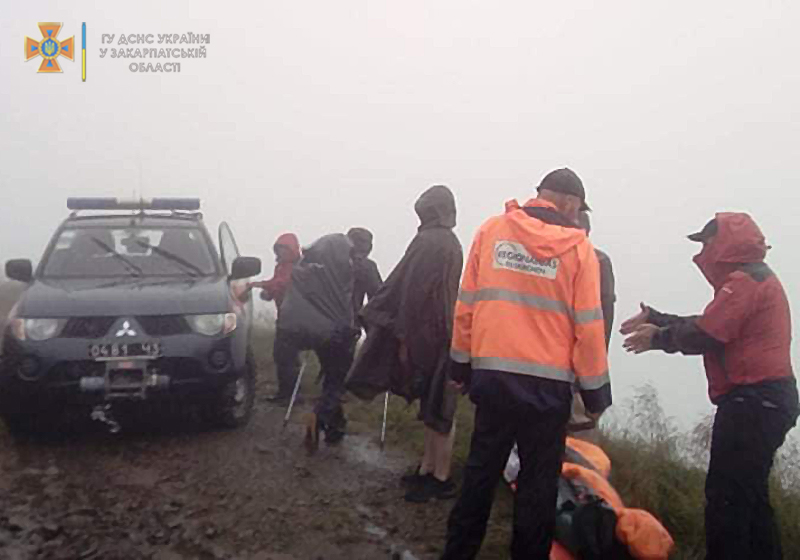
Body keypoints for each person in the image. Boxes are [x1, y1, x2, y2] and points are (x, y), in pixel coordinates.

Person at [442, 168, 611, 560]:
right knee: (537, 488)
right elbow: (589, 324)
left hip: (493, 379)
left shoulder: (491, 230)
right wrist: (595, 392)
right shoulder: (579, 250)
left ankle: (457, 554)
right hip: (548, 391)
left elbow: (466, 304)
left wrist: (460, 367)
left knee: (480, 475)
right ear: (569, 203)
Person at [621, 213, 798, 560]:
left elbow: (709, 333)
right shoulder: (752, 280)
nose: (702, 251)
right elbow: (711, 324)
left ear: (723, 244)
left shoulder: (745, 282)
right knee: (750, 499)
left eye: (705, 242)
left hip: (753, 401)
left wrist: (658, 337)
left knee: (727, 500)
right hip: (767, 400)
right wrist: (657, 319)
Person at [346, 185, 463, 503]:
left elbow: (411, 291)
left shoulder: (431, 242)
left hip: (432, 335)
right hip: (439, 333)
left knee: (439, 407)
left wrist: (401, 334)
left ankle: (440, 477)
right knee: (433, 405)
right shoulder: (448, 242)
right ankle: (428, 469)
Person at [278, 233, 357, 448]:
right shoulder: (344, 271)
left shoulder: (308, 271)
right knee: (337, 381)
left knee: (331, 377)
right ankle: (319, 417)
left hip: (316, 335)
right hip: (339, 334)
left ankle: (336, 428)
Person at [569, 211, 616, 438]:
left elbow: (602, 325)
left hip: (579, 375)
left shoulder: (599, 262)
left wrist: (591, 382)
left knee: (580, 446)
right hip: (547, 372)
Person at [245, 233, 302, 404]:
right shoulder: (282, 266)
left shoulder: (297, 267)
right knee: (282, 355)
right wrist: (268, 293)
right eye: (279, 248)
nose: (282, 252)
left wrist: (257, 285)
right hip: (284, 316)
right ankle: (286, 393)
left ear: (292, 249)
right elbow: (278, 284)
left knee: (287, 356)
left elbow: (283, 283)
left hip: (295, 317)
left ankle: (290, 395)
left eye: (285, 248)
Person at [346, 227, 383, 324]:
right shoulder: (367, 266)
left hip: (325, 323)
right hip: (349, 324)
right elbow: (378, 300)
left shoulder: (330, 262)